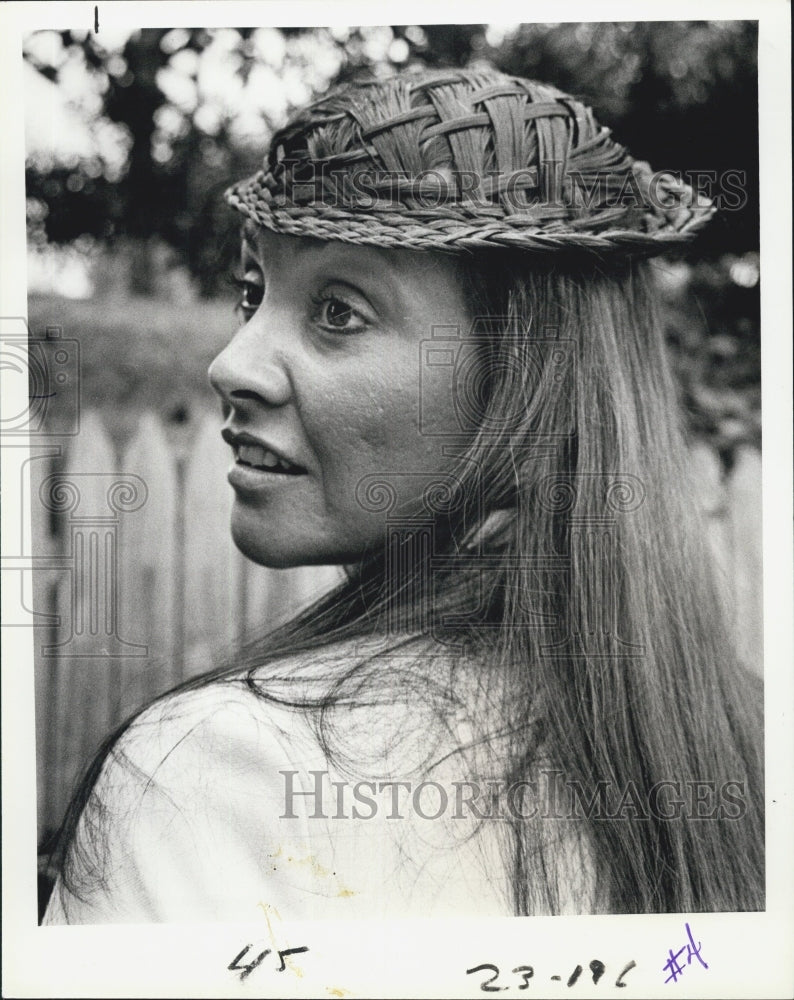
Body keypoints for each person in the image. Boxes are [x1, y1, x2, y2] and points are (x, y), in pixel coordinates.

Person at [43, 66, 764, 923]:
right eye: (253, 292)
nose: (229, 364)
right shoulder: (748, 743)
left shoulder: (217, 771)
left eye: (339, 311)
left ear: (523, 383)